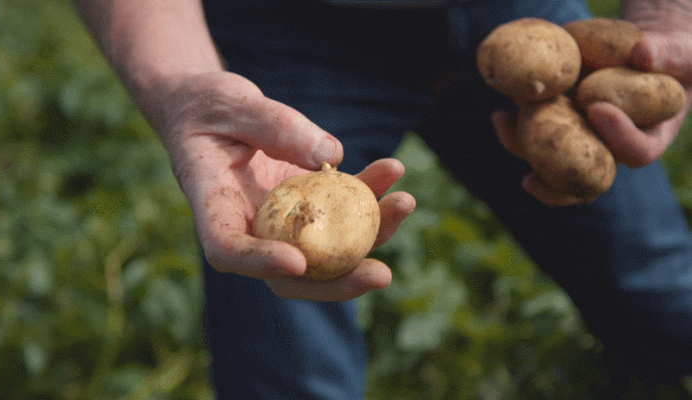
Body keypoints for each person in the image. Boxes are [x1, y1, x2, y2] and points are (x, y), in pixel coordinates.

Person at [72, 0, 692, 398]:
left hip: (526, 26)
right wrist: (181, 84)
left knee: (663, 296)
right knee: (284, 365)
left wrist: (669, 21)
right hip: (285, 28)